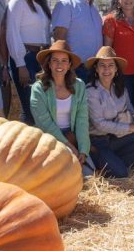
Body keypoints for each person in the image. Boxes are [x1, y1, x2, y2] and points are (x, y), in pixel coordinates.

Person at [84, 46, 134, 179]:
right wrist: (129, 128)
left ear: (116, 69)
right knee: (121, 173)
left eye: (111, 65)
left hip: (117, 138)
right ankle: (110, 161)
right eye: (102, 65)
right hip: (98, 142)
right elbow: (99, 124)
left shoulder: (120, 88)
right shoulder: (91, 92)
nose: (106, 69)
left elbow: (131, 110)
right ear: (96, 69)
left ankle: (114, 161)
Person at [30, 40, 90, 170]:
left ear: (69, 65)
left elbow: (82, 119)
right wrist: (68, 145)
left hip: (72, 135)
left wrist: (83, 149)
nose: (59, 64)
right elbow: (44, 123)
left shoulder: (79, 85)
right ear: (49, 64)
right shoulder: (38, 88)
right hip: (49, 138)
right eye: (55, 60)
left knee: (88, 173)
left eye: (64, 61)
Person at [6, 0, 52, 125]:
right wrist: (20, 64)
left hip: (41, 58)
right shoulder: (18, 2)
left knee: (41, 106)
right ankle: (24, 146)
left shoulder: (42, 5)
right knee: (30, 106)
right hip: (25, 57)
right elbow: (12, 33)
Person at [52, 0, 103, 80]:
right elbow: (59, 40)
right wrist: (69, 70)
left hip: (95, 70)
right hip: (76, 70)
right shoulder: (66, 5)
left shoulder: (94, 9)